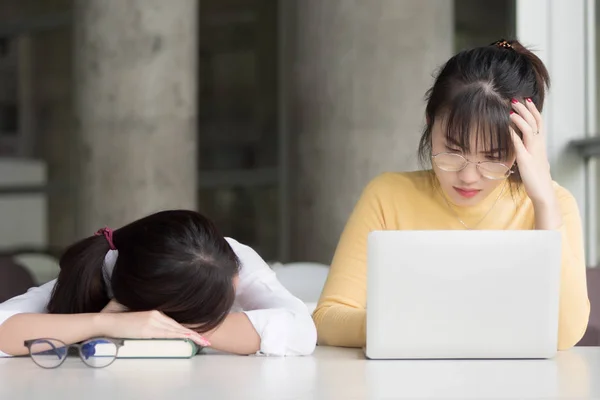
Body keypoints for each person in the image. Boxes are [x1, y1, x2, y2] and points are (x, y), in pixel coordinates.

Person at [312, 39, 590, 350]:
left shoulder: (552, 204)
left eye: (493, 157)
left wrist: (543, 199)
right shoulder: (388, 196)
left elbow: (565, 334)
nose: (469, 175)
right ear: (431, 125)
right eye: (453, 151)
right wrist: (421, 327)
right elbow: (327, 320)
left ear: (524, 144)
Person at [0, 210, 316, 357]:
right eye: (216, 308)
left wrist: (174, 325)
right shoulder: (105, 271)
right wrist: (104, 323)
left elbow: (300, 329)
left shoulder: (224, 256)